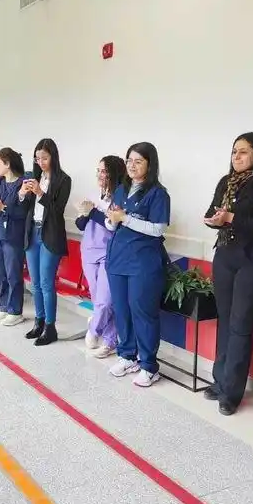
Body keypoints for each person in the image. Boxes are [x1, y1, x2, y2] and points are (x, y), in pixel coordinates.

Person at [202, 133, 253, 415]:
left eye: (243, 152)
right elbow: (213, 212)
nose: (236, 157)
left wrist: (231, 218)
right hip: (226, 254)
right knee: (224, 320)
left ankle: (231, 393)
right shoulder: (226, 182)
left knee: (240, 324)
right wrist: (213, 220)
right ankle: (219, 380)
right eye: (234, 152)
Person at [106, 142, 171, 388]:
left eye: (138, 161)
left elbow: (157, 229)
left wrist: (125, 218)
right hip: (118, 259)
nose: (132, 166)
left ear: (150, 165)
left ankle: (149, 366)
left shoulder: (158, 193)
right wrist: (113, 220)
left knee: (142, 312)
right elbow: (113, 223)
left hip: (143, 262)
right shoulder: (121, 190)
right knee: (121, 310)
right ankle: (127, 355)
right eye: (129, 161)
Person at [20, 139, 72, 346]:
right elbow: (24, 208)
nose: (40, 162)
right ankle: (39, 321)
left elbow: (57, 210)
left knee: (46, 282)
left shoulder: (63, 180)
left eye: (45, 158)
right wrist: (23, 195)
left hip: (50, 233)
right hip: (33, 231)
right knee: (34, 283)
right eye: (37, 158)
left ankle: (51, 327)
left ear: (53, 157)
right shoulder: (34, 178)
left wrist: (41, 193)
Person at [76, 155, 126, 358]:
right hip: (88, 250)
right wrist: (84, 212)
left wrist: (93, 212)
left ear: (114, 173)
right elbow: (81, 225)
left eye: (104, 171)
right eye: (98, 170)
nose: (100, 175)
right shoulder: (96, 195)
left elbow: (112, 225)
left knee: (106, 301)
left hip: (109, 253)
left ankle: (94, 328)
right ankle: (110, 341)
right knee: (99, 299)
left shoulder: (121, 198)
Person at [0, 148, 29, 327]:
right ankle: (3, 306)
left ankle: (15, 310)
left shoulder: (22, 184)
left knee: (13, 274)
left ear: (8, 164)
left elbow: (21, 211)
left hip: (12, 234)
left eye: (0, 164)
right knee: (0, 273)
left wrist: (2, 207)